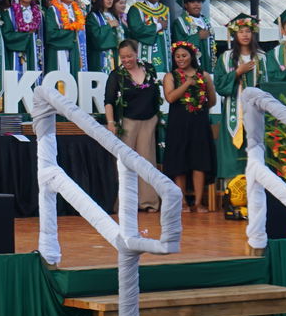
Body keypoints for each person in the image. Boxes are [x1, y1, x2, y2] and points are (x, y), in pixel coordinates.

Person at [104, 39, 161, 211]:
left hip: (149, 120)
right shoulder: (116, 75)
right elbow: (109, 100)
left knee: (147, 161)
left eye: (129, 56)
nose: (126, 60)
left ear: (136, 53)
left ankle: (148, 202)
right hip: (127, 122)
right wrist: (111, 122)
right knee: (126, 163)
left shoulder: (149, 69)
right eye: (123, 57)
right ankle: (125, 203)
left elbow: (156, 93)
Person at [163, 41, 216, 212]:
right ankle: (183, 202)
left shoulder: (204, 75)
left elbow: (212, 100)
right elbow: (170, 98)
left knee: (199, 161)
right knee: (179, 161)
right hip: (178, 123)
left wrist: (199, 106)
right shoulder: (170, 76)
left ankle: (198, 203)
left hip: (198, 123)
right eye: (177, 56)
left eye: (184, 55)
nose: (181, 59)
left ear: (191, 56)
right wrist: (186, 84)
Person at [213, 14, 266, 180]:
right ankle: (233, 189)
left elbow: (269, 84)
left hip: (256, 111)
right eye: (241, 31)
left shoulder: (262, 58)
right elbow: (219, 85)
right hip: (233, 112)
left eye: (248, 31)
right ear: (234, 34)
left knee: (255, 149)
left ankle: (258, 185)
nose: (245, 35)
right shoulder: (226, 58)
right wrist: (237, 72)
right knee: (233, 153)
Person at [44, 0, 88, 78]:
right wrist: (72, 33)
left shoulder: (78, 11)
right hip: (59, 53)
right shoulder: (53, 10)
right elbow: (51, 35)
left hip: (76, 52)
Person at [2, 0, 47, 77]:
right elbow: (7, 36)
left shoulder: (39, 13)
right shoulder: (9, 13)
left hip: (36, 54)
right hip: (17, 54)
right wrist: (28, 36)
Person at [126, 0, 171, 73]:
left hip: (164, 55)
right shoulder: (136, 9)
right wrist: (159, 26)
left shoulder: (165, 10)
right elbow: (136, 31)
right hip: (146, 54)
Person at [172, 0, 213, 73]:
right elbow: (178, 45)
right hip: (190, 66)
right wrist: (198, 37)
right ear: (186, 5)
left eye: (199, 2)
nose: (196, 4)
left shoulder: (206, 22)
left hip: (207, 63)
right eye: (192, 2)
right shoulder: (179, 23)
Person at [86, 0, 123, 72]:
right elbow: (96, 37)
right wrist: (109, 25)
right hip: (100, 57)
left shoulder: (113, 15)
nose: (110, 0)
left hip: (115, 54)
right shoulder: (92, 17)